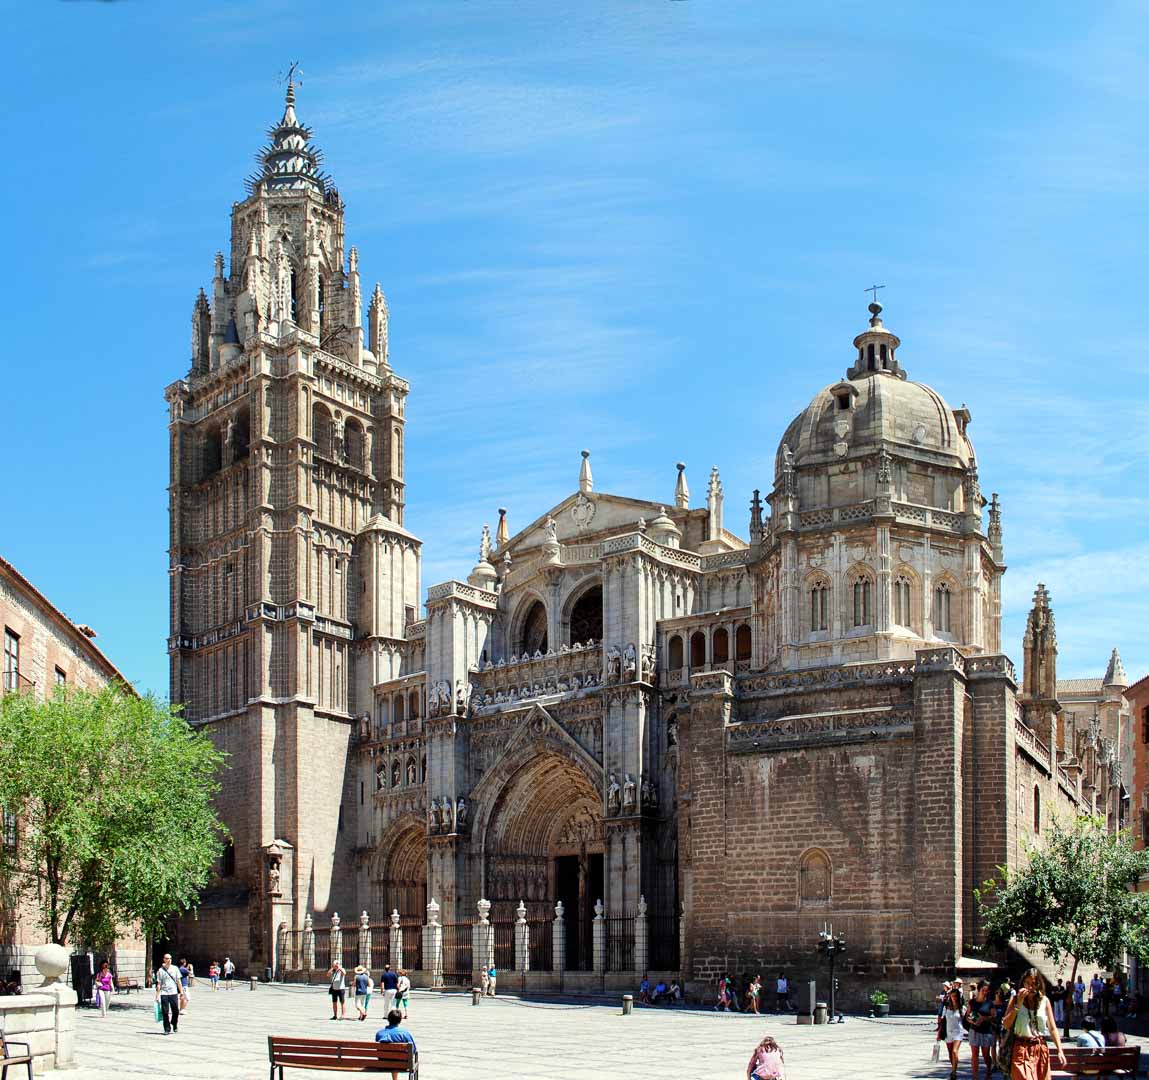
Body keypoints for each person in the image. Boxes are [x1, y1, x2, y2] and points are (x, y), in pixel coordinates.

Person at [1002, 967, 1067, 1080]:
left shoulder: (1045, 1001)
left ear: (1039, 985)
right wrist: (1018, 1005)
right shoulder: (1015, 999)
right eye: (1027, 983)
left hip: (1040, 1048)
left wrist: (1060, 1050)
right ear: (1023, 983)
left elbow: (1052, 1028)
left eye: (1034, 983)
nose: (1031, 987)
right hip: (1021, 1048)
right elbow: (1006, 1025)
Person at [964, 979, 995, 1080]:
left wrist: (984, 1018)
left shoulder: (990, 1003)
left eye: (987, 990)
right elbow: (967, 1016)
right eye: (983, 990)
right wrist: (971, 1021)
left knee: (986, 1055)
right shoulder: (972, 1002)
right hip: (974, 1030)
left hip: (986, 1031)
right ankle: (975, 1076)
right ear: (979, 990)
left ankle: (989, 1072)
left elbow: (993, 1016)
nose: (985, 992)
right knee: (975, 1054)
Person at [375, 1008, 417, 1080]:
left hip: (382, 1064)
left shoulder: (380, 1033)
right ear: (400, 1020)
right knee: (396, 1059)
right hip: (402, 1065)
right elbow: (414, 1050)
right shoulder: (404, 1033)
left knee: (392, 1057)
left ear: (388, 1019)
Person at [154, 953, 183, 1035]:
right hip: (164, 993)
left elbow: (178, 981)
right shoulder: (160, 970)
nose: (169, 960)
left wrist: (181, 992)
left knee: (176, 1010)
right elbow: (159, 984)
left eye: (170, 958)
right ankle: (167, 1028)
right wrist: (157, 995)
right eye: (167, 958)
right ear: (164, 959)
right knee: (165, 1011)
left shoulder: (175, 968)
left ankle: (174, 1023)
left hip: (173, 992)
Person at [941, 986, 965, 1080]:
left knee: (955, 1051)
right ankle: (953, 1068)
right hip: (948, 1032)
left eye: (955, 996)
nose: (954, 998)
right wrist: (939, 1034)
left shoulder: (962, 1008)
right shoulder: (946, 1008)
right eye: (952, 996)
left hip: (958, 1032)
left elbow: (967, 1019)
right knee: (950, 1053)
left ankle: (954, 1073)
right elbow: (942, 1021)